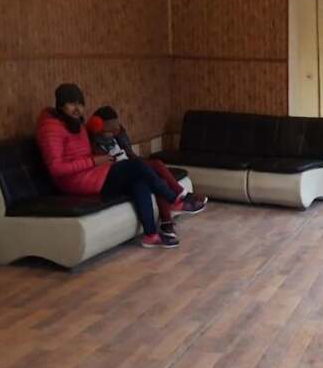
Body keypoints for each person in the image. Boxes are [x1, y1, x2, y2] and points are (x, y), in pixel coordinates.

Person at [36, 84, 205, 249]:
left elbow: (88, 148)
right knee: (137, 166)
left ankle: (151, 235)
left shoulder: (77, 125)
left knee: (139, 181)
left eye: (80, 104)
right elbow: (56, 168)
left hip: (91, 175)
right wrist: (94, 161)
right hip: (74, 182)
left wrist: (101, 159)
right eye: (72, 104)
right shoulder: (51, 128)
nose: (77, 109)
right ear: (60, 105)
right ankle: (173, 199)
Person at [87, 105, 208, 239]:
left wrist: (141, 163)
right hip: (117, 173)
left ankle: (167, 221)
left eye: (116, 129)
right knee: (154, 171)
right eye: (110, 131)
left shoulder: (117, 137)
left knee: (157, 172)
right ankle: (178, 198)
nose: (114, 133)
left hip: (131, 166)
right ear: (97, 128)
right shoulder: (93, 145)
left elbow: (130, 154)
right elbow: (104, 168)